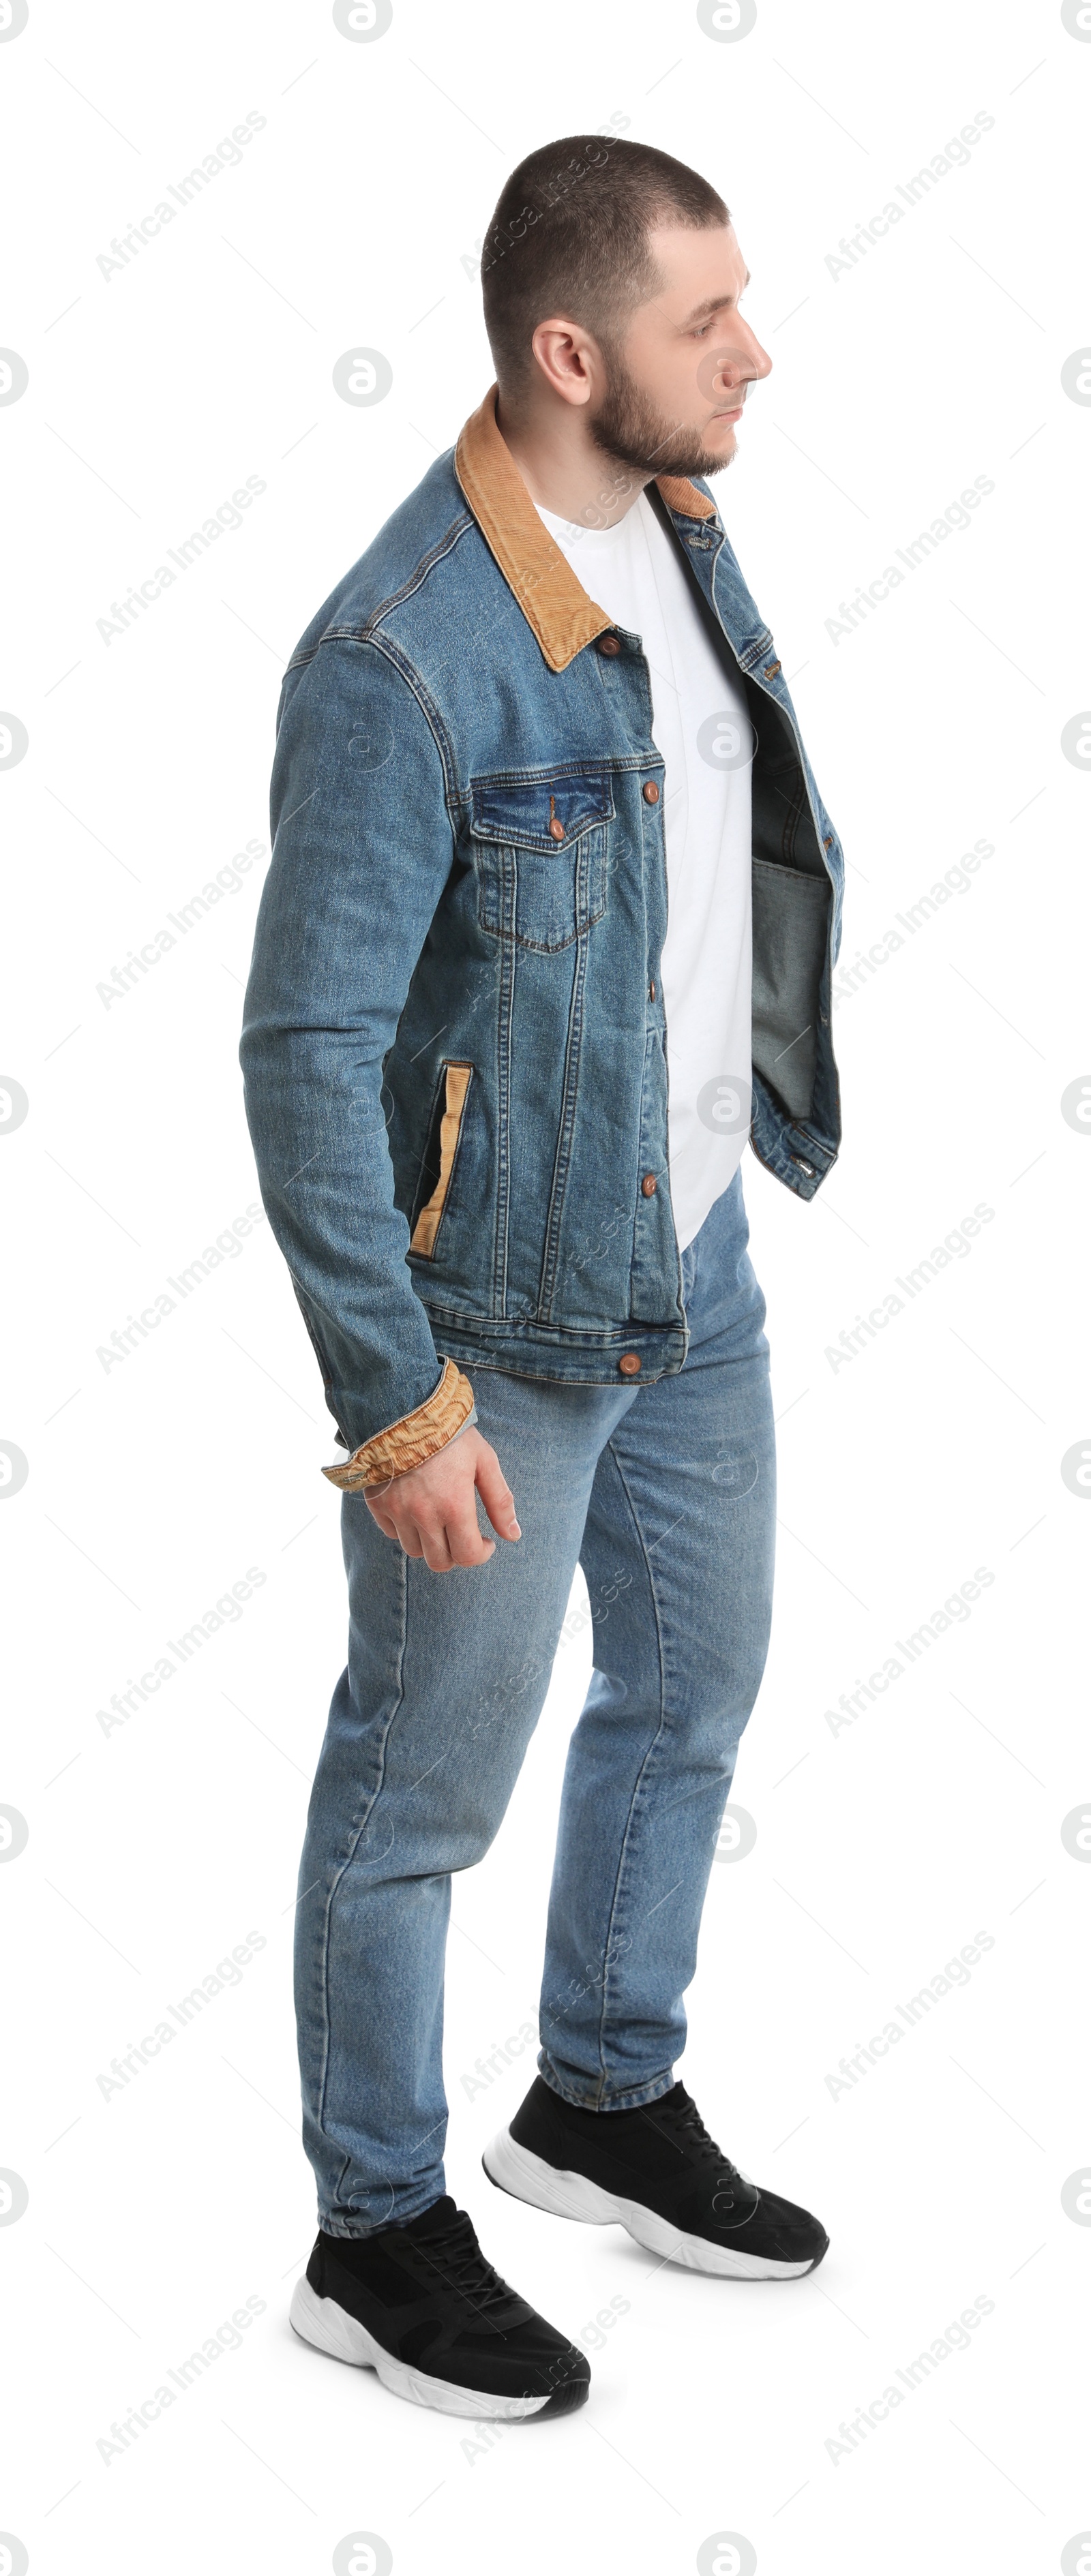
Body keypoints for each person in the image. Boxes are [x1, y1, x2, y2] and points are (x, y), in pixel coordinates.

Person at [241, 135, 843, 2425]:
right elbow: (301, 1051)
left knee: (692, 1694)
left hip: (690, 1257)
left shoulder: (672, 520)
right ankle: (375, 2223)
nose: (755, 351)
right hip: (494, 1332)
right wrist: (400, 1407)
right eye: (713, 320)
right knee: (418, 1792)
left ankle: (599, 2089)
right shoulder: (398, 655)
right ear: (572, 354)